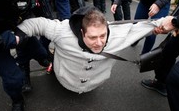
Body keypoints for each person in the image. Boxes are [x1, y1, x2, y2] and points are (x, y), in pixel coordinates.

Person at [15, 6, 164, 93]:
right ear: (81, 33)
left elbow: (142, 28)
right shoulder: (62, 31)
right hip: (64, 82)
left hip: (93, 85)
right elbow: (37, 24)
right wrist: (17, 36)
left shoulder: (117, 35)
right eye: (92, 37)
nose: (99, 43)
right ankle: (53, 64)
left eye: (103, 35)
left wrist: (165, 24)